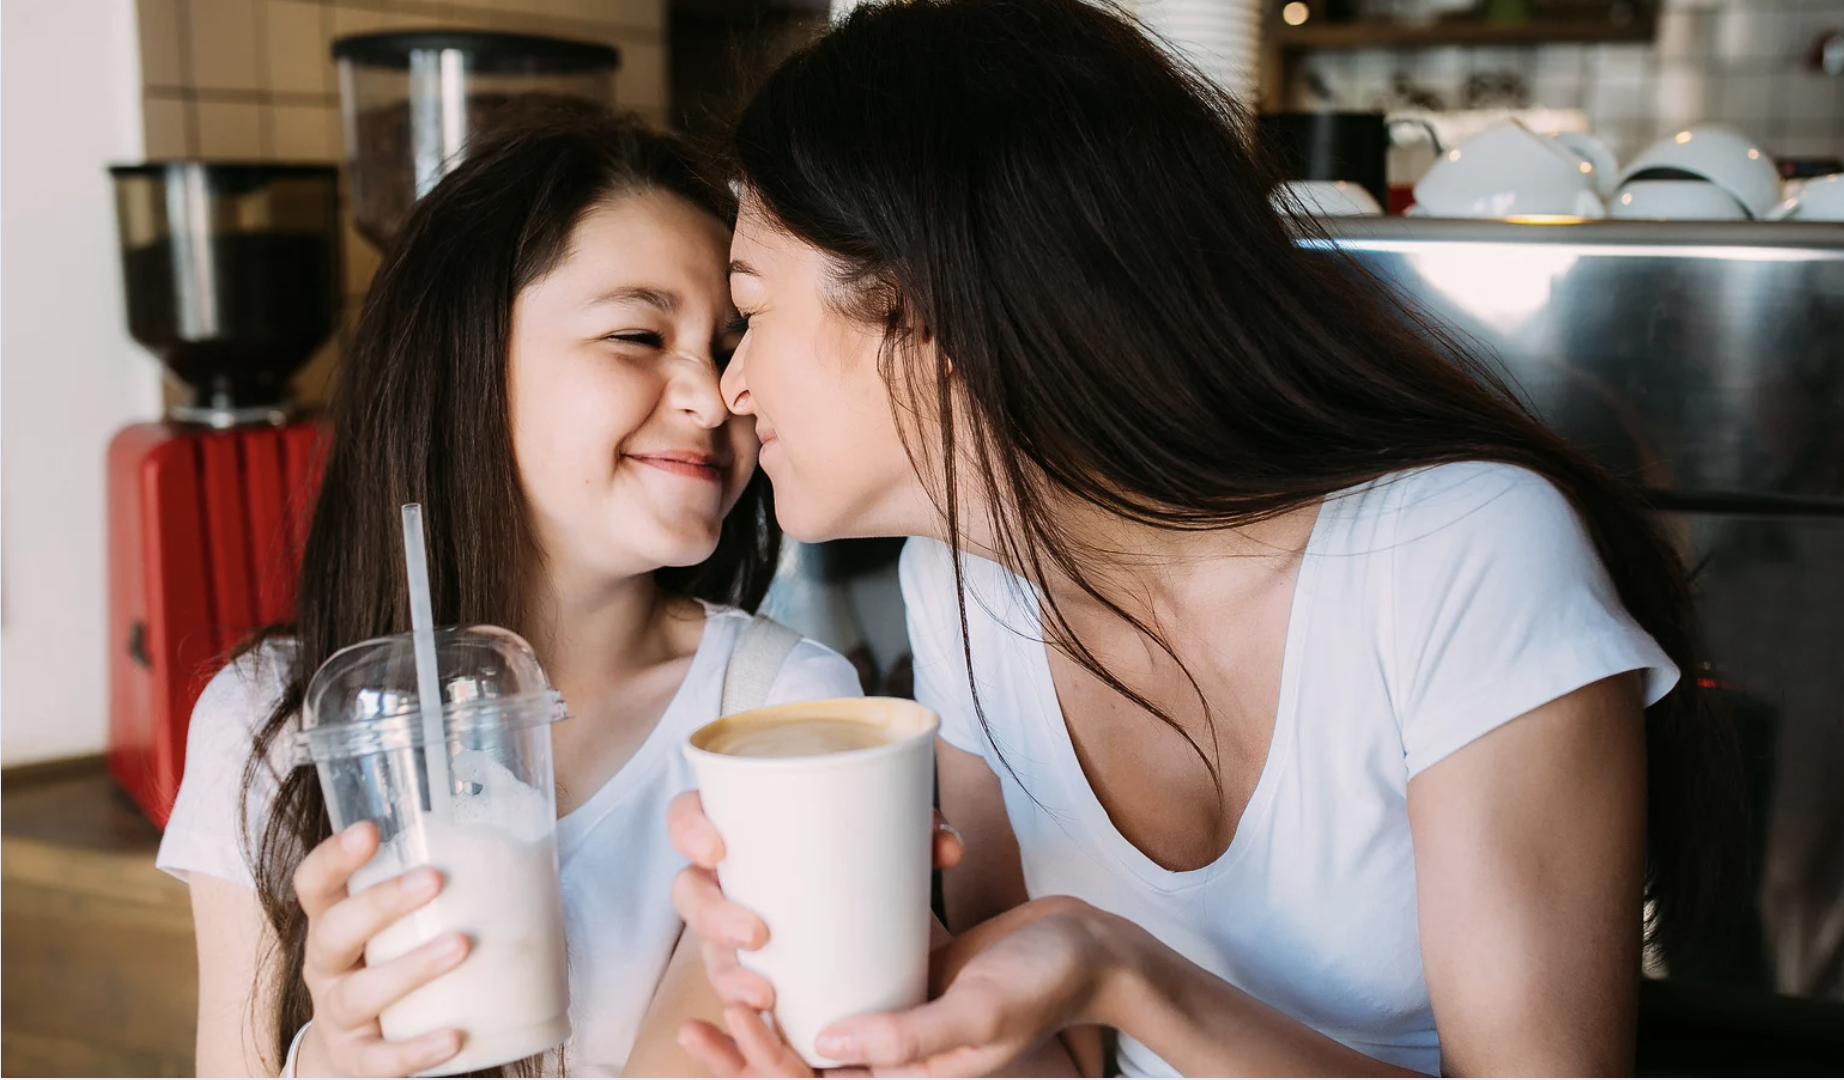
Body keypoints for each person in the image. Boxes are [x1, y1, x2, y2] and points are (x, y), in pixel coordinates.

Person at [664, 1, 1740, 1075]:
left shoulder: (1461, 554)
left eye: (750, 311)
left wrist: (1123, 972)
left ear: (921, 310)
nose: (731, 386)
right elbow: (1058, 1060)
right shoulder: (954, 585)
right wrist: (882, 998)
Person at [155, 113, 863, 1077]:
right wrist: (329, 1062)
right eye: (636, 334)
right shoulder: (266, 724)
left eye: (731, 344)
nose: (715, 394)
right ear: (467, 364)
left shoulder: (784, 715)